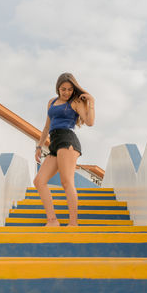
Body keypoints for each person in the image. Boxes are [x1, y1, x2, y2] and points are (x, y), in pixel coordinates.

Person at [33, 72, 95, 226]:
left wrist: (91, 102)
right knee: (39, 181)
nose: (66, 92)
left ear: (73, 89)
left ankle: (73, 223)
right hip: (54, 143)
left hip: (67, 140)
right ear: (58, 89)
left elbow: (89, 122)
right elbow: (47, 126)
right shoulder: (51, 102)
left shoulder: (75, 102)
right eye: (63, 89)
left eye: (69, 89)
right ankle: (52, 220)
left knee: (66, 181)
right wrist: (39, 146)